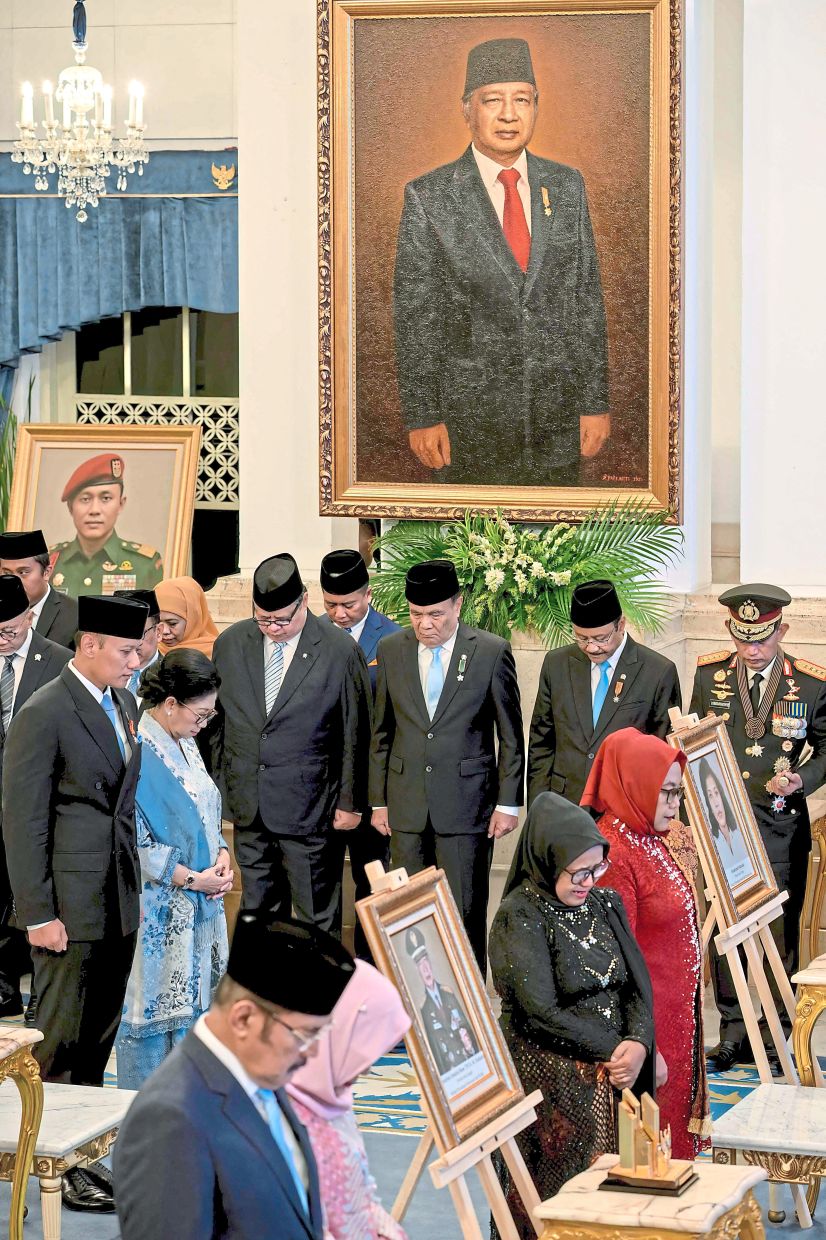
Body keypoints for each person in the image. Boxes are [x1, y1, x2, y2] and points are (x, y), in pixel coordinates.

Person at [393, 37, 608, 488]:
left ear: (536, 106)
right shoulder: (430, 197)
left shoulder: (566, 186)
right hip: (468, 425)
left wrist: (594, 400)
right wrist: (423, 413)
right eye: (493, 100)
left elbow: (585, 299)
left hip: (557, 422)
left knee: (556, 552)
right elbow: (417, 317)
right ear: (467, 108)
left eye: (521, 100)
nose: (509, 114)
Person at [3, 593, 148, 1213]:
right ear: (89, 645)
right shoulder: (46, 710)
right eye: (124, 650)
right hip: (66, 903)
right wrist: (38, 914)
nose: (135, 661)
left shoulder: (123, 700)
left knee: (98, 1035)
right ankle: (43, 1164)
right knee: (59, 1040)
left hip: (116, 896)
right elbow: (23, 820)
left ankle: (79, 1158)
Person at [114, 913, 356, 1240]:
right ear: (243, 1019)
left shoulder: (261, 1071)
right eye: (305, 1036)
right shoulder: (171, 1119)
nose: (312, 1052)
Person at [489, 793, 654, 1236]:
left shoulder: (606, 903)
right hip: (548, 1076)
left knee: (612, 1197)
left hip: (611, 1071)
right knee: (553, 1201)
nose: (588, 881)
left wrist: (638, 1043)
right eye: (577, 871)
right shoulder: (520, 915)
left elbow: (636, 984)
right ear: (547, 857)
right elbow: (538, 1010)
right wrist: (614, 1049)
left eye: (596, 869)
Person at [690, 585, 826, 1074]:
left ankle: (771, 1032)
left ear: (781, 630)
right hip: (723, 819)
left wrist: (801, 780)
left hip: (778, 821)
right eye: (743, 638)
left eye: (762, 639)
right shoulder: (710, 676)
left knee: (774, 929)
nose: (752, 649)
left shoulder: (809, 684)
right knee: (726, 928)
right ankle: (732, 1031)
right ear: (731, 630)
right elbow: (693, 742)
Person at [369, 559, 524, 973]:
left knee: (463, 910)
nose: (425, 624)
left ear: (458, 605)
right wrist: (378, 801)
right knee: (407, 913)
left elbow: (510, 735)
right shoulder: (392, 650)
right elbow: (381, 732)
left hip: (467, 806)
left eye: (435, 613)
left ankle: (468, 1012)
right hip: (406, 806)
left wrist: (508, 803)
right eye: (416, 614)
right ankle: (412, 1015)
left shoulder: (490, 652)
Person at [212, 554, 372, 931]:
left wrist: (350, 803)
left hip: (312, 810)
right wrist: (220, 788)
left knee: (316, 916)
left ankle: (321, 991)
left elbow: (355, 732)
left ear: (303, 600)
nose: (273, 628)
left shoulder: (339, 650)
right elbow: (216, 725)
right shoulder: (231, 644)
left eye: (282, 619)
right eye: (264, 619)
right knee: (258, 914)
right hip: (249, 807)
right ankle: (267, 990)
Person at [581, 727, 710, 1158]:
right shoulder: (616, 854)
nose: (675, 804)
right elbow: (615, 965)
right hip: (646, 1029)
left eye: (678, 793)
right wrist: (643, 1044)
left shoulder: (653, 838)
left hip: (675, 1020)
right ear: (636, 785)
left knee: (672, 1152)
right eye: (667, 792)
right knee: (648, 1156)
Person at [115, 649, 233, 1090]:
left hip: (201, 908)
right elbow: (131, 842)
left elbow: (207, 814)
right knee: (155, 1021)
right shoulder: (138, 753)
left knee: (197, 1020)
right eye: (200, 714)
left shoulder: (187, 744)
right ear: (170, 704)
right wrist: (191, 878)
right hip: (160, 910)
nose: (204, 724)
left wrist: (222, 856)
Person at [528, 579, 682, 806]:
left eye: (601, 639)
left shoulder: (658, 672)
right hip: (565, 805)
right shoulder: (556, 664)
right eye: (582, 638)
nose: (591, 647)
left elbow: (663, 753)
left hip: (626, 808)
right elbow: (541, 742)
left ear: (621, 624)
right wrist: (539, 808)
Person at [287, 959, 411, 1240]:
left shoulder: (333, 1095)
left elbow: (360, 1192)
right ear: (338, 1032)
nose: (367, 1068)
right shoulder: (281, 1115)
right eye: (363, 1048)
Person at [320, 549, 400, 959]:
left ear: (368, 595)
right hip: (322, 787)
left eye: (348, 604)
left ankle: (371, 970)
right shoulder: (312, 634)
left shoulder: (392, 638)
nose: (339, 614)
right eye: (330, 604)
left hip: (370, 785)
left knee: (372, 882)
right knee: (322, 885)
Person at [0, 574, 71, 1020]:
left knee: (28, 901)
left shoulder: (60, 662)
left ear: (30, 616)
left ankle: (38, 1002)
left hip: (38, 808)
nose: (2, 640)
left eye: (9, 629)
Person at [48, 453, 163, 596]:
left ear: (121, 504)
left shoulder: (145, 565)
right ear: (70, 507)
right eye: (85, 499)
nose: (94, 510)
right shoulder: (48, 563)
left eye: (106, 498)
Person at [404, 925, 478, 1074]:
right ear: (417, 970)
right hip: (452, 1075)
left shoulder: (448, 994)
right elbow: (435, 1054)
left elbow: (470, 1033)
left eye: (426, 961)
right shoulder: (424, 1008)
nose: (425, 969)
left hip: (471, 1066)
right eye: (420, 965)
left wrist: (470, 1050)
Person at [0, 528, 78, 649]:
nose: (14, 582)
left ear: (47, 572)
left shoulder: (75, 615)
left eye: (23, 572)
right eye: (7, 574)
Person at [697, 757, 752, 883]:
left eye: (716, 793)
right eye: (710, 796)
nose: (716, 803)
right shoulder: (712, 843)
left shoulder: (742, 833)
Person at [114, 587, 161, 701]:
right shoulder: (102, 676)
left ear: (158, 632)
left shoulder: (172, 677)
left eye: (139, 633)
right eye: (123, 634)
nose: (131, 643)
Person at [156, 575, 219, 658]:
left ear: (193, 620)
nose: (164, 631)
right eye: (157, 623)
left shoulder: (218, 654)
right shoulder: (146, 651)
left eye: (172, 623)